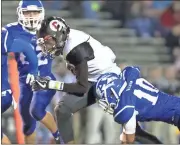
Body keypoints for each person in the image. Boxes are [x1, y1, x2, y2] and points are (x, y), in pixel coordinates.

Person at [31, 16, 162, 144]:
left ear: (59, 36)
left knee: (133, 130)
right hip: (93, 81)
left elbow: (81, 87)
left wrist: (50, 84)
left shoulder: (75, 48)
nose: (47, 46)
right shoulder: (67, 41)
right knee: (62, 109)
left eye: (48, 42)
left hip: (109, 81)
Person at [2, 1, 62, 144]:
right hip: (24, 80)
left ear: (41, 12)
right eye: (27, 12)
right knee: (28, 127)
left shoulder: (51, 28)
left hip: (44, 77)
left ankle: (61, 137)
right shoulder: (9, 31)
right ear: (20, 13)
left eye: (34, 12)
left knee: (36, 110)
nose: (31, 16)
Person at [95, 66, 180, 144]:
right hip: (176, 109)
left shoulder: (126, 107)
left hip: (177, 114)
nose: (105, 103)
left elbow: (129, 141)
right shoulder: (131, 79)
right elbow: (133, 70)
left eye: (104, 98)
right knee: (138, 134)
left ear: (113, 92)